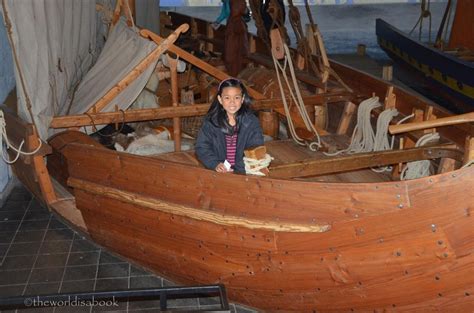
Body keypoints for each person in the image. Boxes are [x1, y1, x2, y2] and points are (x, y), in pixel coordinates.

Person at [195, 78, 264, 174]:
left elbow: (255, 147)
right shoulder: (211, 122)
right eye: (227, 98)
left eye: (236, 98)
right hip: (218, 172)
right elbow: (202, 147)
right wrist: (215, 164)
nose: (232, 102)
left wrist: (239, 170)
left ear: (242, 99)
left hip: (244, 172)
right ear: (220, 99)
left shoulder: (251, 122)